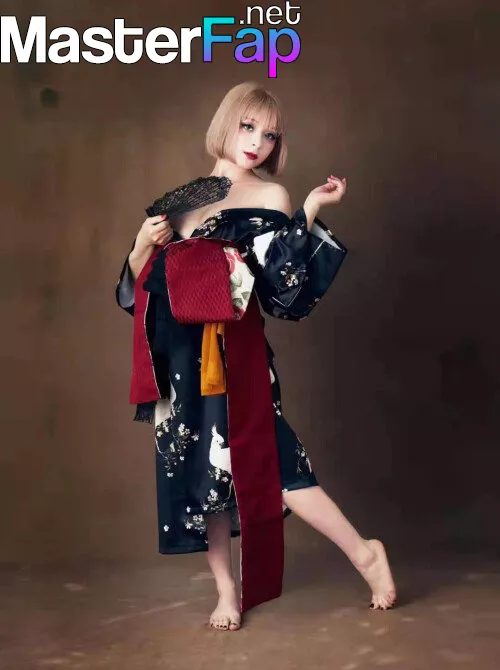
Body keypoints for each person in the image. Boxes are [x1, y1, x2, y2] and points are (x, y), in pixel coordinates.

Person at [116, 82, 396, 632]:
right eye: (248, 127)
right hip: (179, 361)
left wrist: (308, 209)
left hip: (235, 351)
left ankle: (367, 554)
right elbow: (136, 294)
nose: (257, 142)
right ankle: (226, 590)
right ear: (226, 123)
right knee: (204, 475)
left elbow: (279, 287)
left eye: (269, 135)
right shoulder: (181, 200)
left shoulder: (271, 196)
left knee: (277, 464)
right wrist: (141, 247)